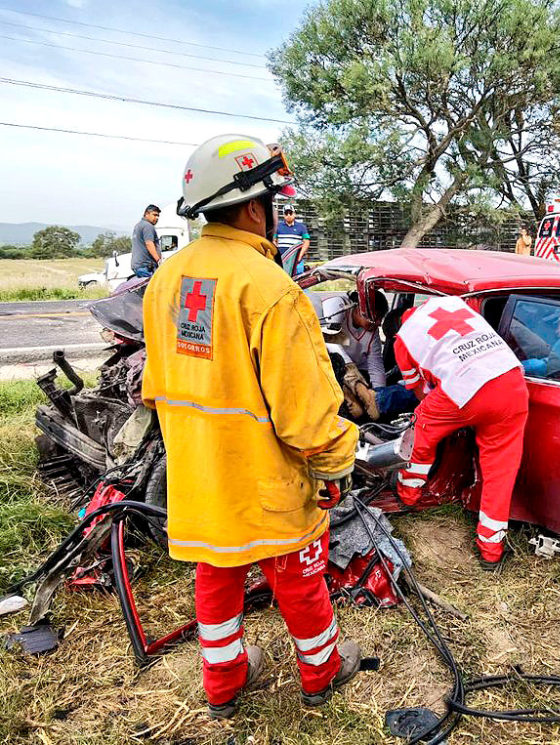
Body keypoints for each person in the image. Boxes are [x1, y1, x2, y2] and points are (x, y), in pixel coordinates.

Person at [143, 134, 362, 718]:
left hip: (196, 467)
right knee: (297, 571)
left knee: (217, 570)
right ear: (251, 206)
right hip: (264, 472)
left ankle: (224, 683)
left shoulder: (167, 278)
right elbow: (306, 410)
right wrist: (338, 458)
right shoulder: (269, 288)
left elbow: (157, 381)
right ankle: (322, 671)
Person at [393, 296, 528, 569]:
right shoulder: (455, 304)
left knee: (420, 431)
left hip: (466, 386)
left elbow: (420, 392)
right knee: (500, 471)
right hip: (512, 382)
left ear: (396, 326)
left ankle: (408, 495)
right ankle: (492, 551)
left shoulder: (403, 338)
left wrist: (446, 414)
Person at [321, 290, 418, 420]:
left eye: (380, 319)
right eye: (376, 318)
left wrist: (377, 396)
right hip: (338, 372)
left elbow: (376, 366)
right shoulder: (339, 313)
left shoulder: (372, 334)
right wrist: (354, 379)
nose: (378, 323)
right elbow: (331, 341)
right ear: (360, 311)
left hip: (361, 375)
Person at [275, 205, 311, 276]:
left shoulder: (301, 227)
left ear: (294, 214)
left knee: (300, 278)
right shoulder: (278, 226)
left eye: (290, 213)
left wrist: (299, 257)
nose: (288, 215)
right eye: (286, 213)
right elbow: (274, 240)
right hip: (282, 260)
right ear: (283, 215)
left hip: (297, 260)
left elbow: (306, 242)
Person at [131, 204, 161, 278]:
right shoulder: (148, 226)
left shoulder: (138, 225)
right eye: (154, 215)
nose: (156, 218)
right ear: (147, 214)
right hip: (146, 266)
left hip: (138, 265)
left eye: (158, 216)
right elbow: (149, 243)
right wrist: (158, 260)